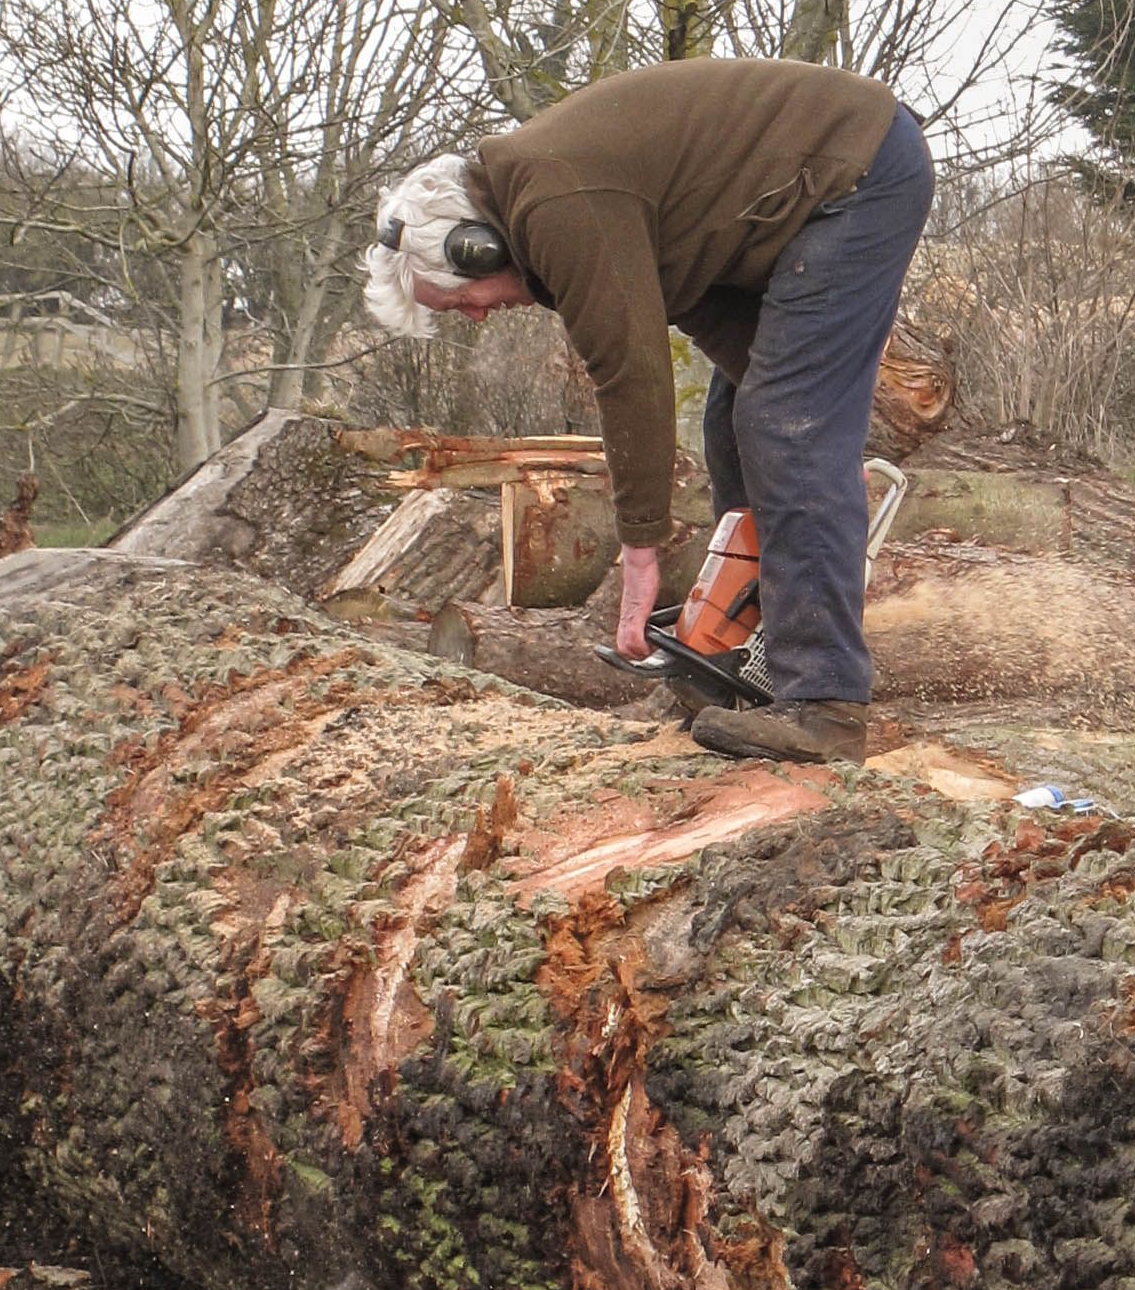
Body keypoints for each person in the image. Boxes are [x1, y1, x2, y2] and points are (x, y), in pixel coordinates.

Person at [363, 59, 933, 766]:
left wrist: (643, 550)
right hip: (793, 208)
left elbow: (631, 375)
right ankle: (741, 658)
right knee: (744, 422)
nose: (477, 318)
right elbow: (694, 301)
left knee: (781, 425)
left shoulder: (555, 206)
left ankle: (824, 708)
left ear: (474, 250)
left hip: (858, 171)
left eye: (459, 302)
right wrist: (807, 433)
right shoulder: (550, 200)